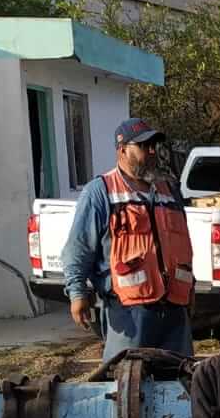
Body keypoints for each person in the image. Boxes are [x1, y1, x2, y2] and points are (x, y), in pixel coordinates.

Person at [63, 118, 195, 362]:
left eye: (154, 146)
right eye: (144, 146)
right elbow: (78, 248)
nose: (152, 152)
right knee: (127, 384)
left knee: (180, 385)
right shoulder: (101, 191)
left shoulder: (170, 191)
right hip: (129, 313)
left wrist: (191, 288)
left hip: (175, 313)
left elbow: (182, 247)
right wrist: (77, 293)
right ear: (122, 150)